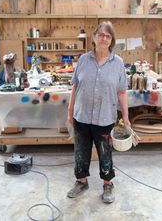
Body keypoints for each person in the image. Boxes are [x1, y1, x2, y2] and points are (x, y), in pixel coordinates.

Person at [66, 21, 130, 204]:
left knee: (104, 152)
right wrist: (70, 111)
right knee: (81, 151)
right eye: (100, 34)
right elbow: (75, 87)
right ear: (94, 37)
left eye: (108, 36)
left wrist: (125, 117)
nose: (103, 38)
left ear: (111, 40)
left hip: (105, 118)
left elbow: (122, 92)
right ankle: (81, 181)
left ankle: (108, 184)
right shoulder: (83, 60)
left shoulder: (117, 63)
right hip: (82, 115)